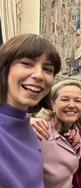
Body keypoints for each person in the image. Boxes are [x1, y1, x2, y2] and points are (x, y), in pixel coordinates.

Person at [0, 34, 61, 188]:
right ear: (4, 69)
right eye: (27, 64)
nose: (39, 75)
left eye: (47, 69)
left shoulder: (29, 126)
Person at [35, 80, 81, 188]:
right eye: (65, 99)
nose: (72, 105)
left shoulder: (74, 131)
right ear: (53, 104)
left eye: (78, 101)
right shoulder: (40, 132)